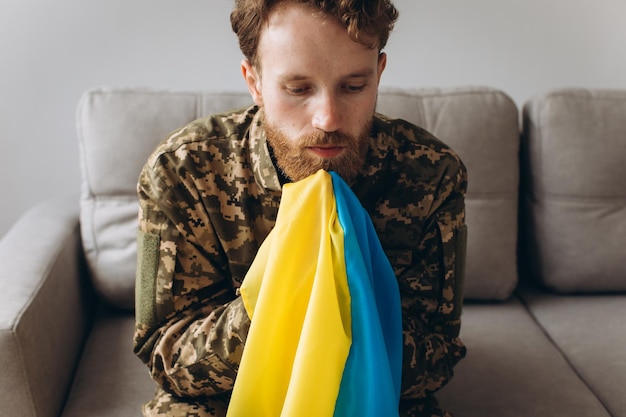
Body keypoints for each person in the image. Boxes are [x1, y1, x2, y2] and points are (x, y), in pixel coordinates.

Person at [133, 0, 468, 416]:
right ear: (253, 81)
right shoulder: (185, 172)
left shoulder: (431, 173)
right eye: (298, 89)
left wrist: (351, 306)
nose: (327, 118)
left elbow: (439, 357)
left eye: (353, 86)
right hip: (223, 396)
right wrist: (277, 303)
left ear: (379, 73)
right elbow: (163, 352)